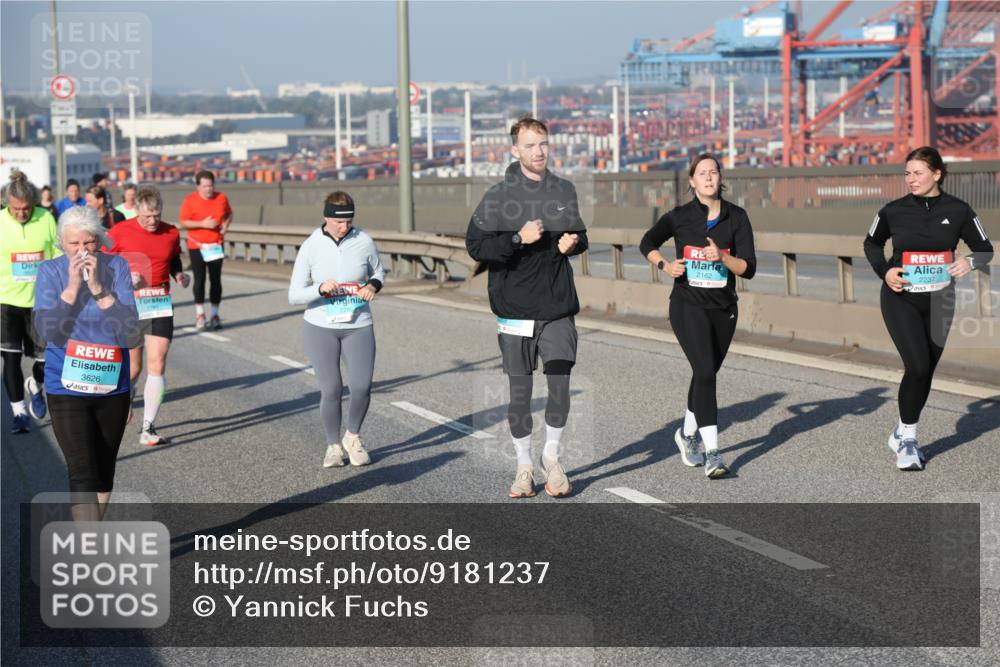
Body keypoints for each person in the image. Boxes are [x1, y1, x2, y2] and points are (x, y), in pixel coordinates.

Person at [466, 116, 589, 498]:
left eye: (543, 144)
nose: (539, 151)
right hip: (515, 309)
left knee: (559, 384)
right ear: (515, 150)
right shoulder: (498, 197)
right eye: (530, 145)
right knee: (520, 394)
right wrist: (518, 238)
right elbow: (476, 247)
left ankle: (551, 457)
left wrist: (574, 244)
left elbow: (580, 235)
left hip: (556, 305)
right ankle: (523, 467)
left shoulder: (563, 190)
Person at [864, 146, 993, 471]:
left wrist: (969, 261)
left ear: (937, 174)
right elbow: (871, 243)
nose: (911, 179)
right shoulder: (893, 210)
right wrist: (885, 271)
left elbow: (984, 249)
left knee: (925, 371)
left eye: (918, 173)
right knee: (918, 365)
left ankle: (900, 430)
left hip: (941, 300)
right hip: (901, 296)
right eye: (907, 173)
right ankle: (908, 440)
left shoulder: (959, 210)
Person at [639, 153, 757, 479]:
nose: (708, 178)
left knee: (704, 374)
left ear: (721, 179)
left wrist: (723, 257)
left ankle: (687, 433)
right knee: (705, 371)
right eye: (701, 173)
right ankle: (713, 454)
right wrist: (665, 265)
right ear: (691, 182)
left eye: (713, 172)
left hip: (723, 308)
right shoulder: (679, 217)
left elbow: (749, 268)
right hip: (687, 305)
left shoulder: (737, 218)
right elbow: (646, 242)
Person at [32, 205, 140, 521]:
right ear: (62, 245)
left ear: (100, 240)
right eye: (74, 244)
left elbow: (131, 330)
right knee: (81, 471)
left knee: (104, 470)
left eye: (89, 242)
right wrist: (72, 287)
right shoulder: (50, 272)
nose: (82, 251)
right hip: (65, 384)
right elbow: (47, 331)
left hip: (111, 384)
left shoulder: (117, 267)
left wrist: (98, 290)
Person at [288, 191, 383, 469]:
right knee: (331, 389)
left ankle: (352, 437)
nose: (345, 226)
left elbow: (378, 272)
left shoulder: (364, 240)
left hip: (358, 325)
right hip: (320, 327)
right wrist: (319, 289)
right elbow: (293, 294)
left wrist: (372, 286)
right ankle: (333, 446)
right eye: (340, 222)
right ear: (327, 218)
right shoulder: (310, 246)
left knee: (362, 386)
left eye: (349, 221)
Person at [106, 186, 189, 446]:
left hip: (159, 302)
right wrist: (124, 277)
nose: (152, 221)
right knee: (133, 367)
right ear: (137, 211)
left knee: (158, 361)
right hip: (129, 305)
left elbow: (173, 258)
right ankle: (124, 399)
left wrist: (178, 275)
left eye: (156, 215)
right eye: (146, 217)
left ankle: (148, 428)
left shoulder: (171, 231)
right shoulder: (120, 232)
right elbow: (103, 266)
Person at [1, 172, 60, 432]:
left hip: (41, 302)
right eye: (16, 209)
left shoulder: (46, 219)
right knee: (10, 359)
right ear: (6, 204)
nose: (22, 214)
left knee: (46, 360)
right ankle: (19, 413)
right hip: (6, 300)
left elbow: (58, 253)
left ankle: (35, 386)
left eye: (26, 209)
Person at [179, 170, 232, 330]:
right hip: (197, 246)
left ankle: (215, 314)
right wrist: (202, 224)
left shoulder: (221, 198)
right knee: (200, 279)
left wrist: (226, 225)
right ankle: (200, 314)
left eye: (210, 185)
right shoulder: (190, 201)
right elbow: (183, 222)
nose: (208, 189)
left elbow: (229, 213)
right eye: (205, 186)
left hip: (216, 245)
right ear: (198, 187)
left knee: (216, 280)